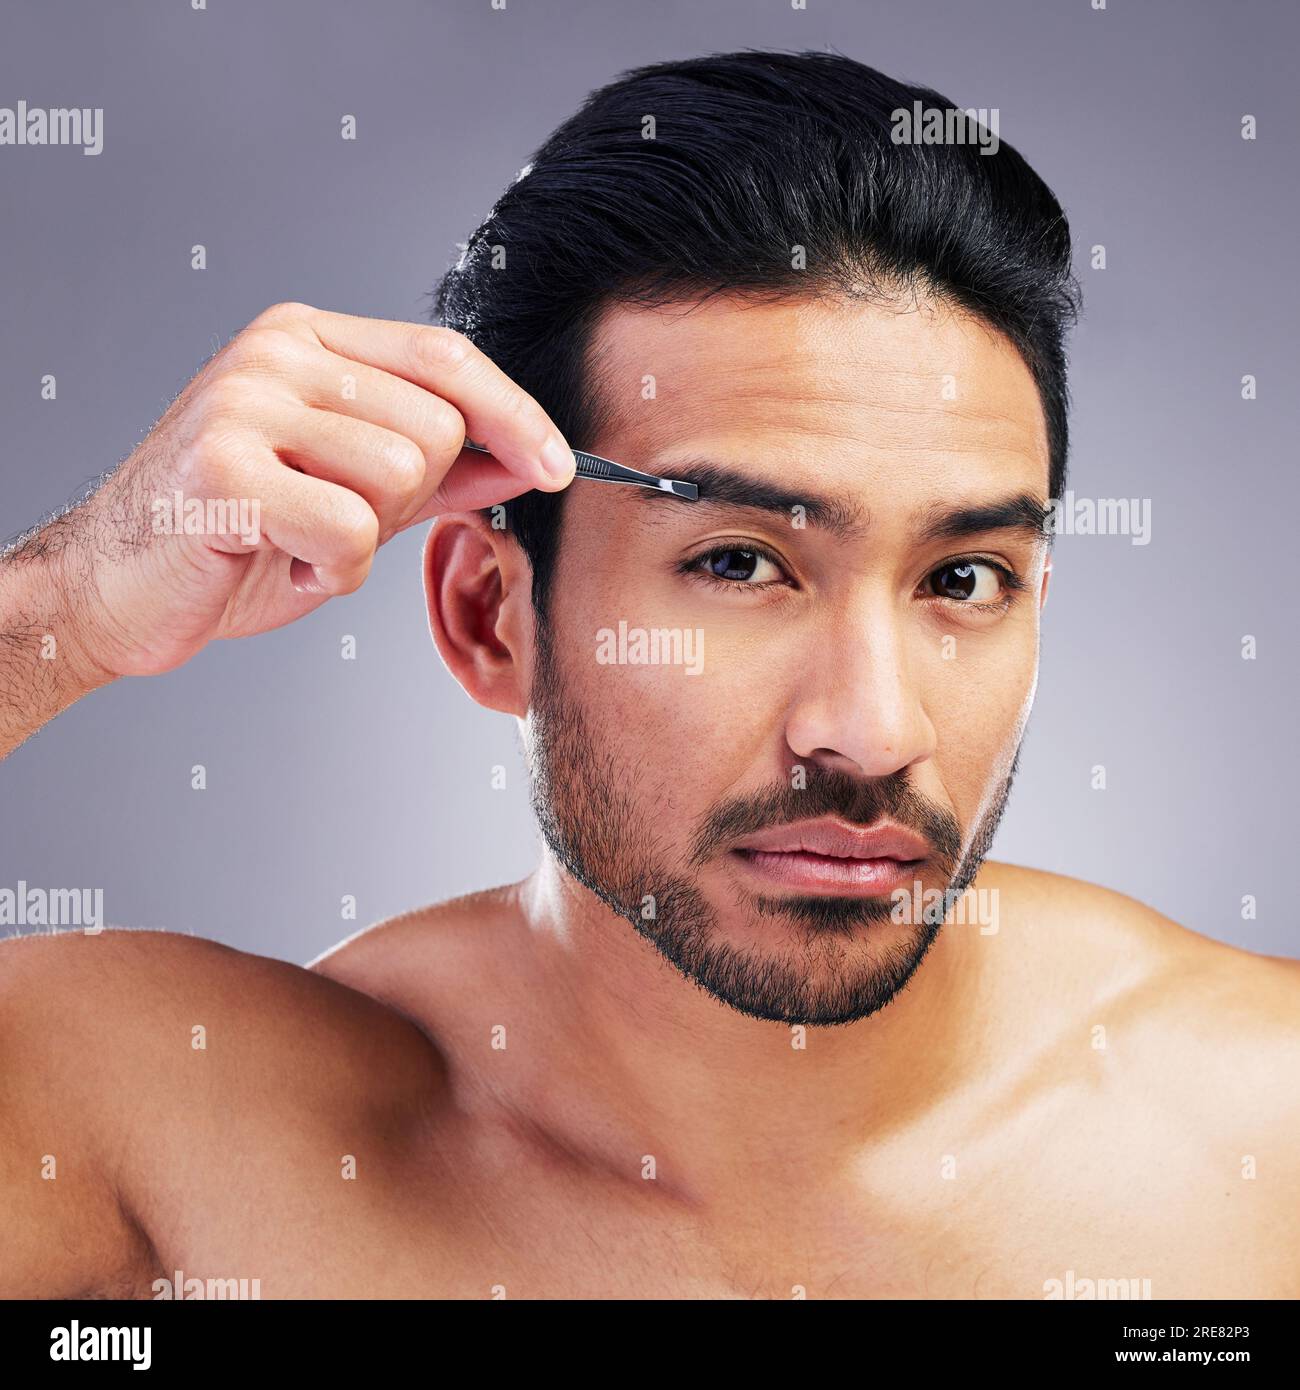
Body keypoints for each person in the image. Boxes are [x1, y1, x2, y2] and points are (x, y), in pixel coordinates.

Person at [1, 50, 1296, 1300]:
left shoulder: (1258, 1128)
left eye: (962, 578)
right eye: (740, 562)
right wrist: (60, 607)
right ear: (488, 616)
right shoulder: (187, 1138)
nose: (871, 730)